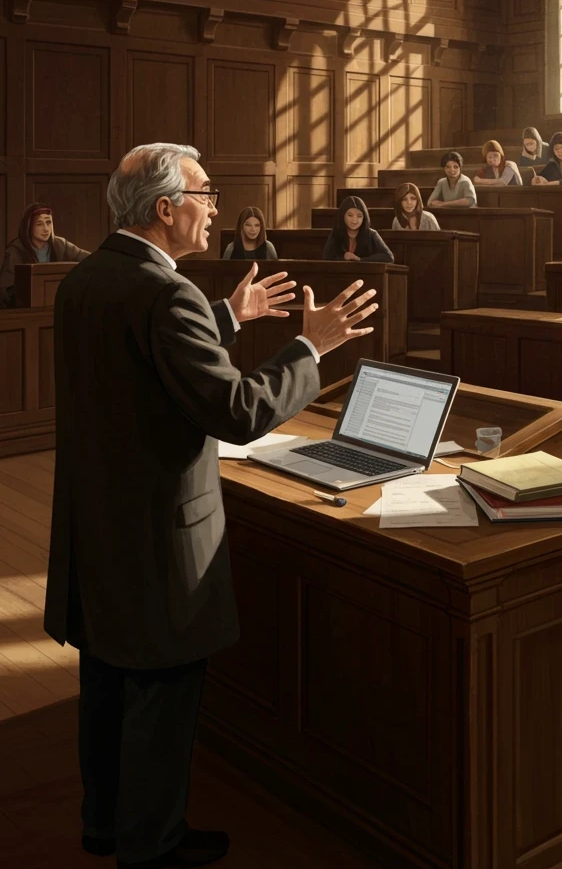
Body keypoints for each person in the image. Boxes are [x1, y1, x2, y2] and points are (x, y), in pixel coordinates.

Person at [44, 142, 377, 869]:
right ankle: (152, 846)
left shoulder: (87, 279)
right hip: (158, 538)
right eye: (206, 193)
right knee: (160, 696)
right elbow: (236, 410)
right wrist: (309, 349)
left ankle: (103, 825)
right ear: (166, 210)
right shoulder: (169, 295)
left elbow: (139, 359)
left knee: (104, 683)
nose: (216, 207)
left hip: (94, 528)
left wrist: (227, 314)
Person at [0, 202, 89, 306]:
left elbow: (89, 258)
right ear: (28, 226)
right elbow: (5, 288)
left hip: (57, 304)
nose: (46, 229)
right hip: (27, 308)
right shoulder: (16, 249)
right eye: (39, 224)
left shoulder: (60, 245)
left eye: (48, 222)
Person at [323, 195, 394, 262]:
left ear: (364, 218)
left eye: (359, 216)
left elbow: (389, 257)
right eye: (350, 215)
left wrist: (360, 259)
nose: (354, 220)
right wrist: (343, 257)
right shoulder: (336, 233)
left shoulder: (371, 234)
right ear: (342, 215)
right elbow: (326, 258)